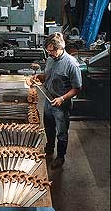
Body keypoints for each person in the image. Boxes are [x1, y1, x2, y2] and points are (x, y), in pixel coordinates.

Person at [28, 32, 82, 169]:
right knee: (48, 127)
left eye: (52, 51)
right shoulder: (51, 59)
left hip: (61, 105)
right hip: (48, 99)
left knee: (62, 133)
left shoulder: (71, 64)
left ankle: (60, 157)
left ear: (60, 48)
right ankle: (50, 147)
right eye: (48, 51)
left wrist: (62, 98)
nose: (50, 54)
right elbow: (48, 76)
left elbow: (77, 88)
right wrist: (39, 77)